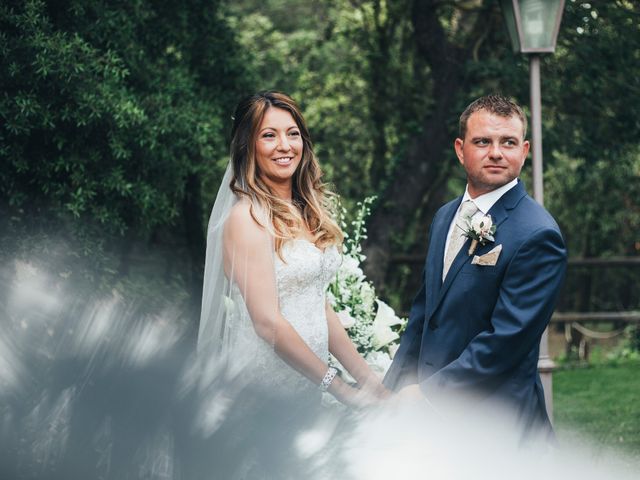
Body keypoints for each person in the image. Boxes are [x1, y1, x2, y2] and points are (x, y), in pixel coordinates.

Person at [383, 94, 567, 438]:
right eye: (483, 141)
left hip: (495, 426)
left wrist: (426, 395)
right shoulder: (444, 217)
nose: (496, 152)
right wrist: (391, 389)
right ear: (460, 149)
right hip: (431, 425)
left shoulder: (539, 234)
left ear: (524, 151)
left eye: (508, 142)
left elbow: (505, 341)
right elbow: (424, 315)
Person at [198, 91, 388, 409]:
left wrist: (370, 382)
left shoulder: (305, 211)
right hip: (264, 389)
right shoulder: (247, 218)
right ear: (248, 146)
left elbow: (320, 307)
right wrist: (340, 388)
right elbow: (267, 322)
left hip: (309, 383)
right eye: (269, 135)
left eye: (293, 134)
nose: (285, 146)